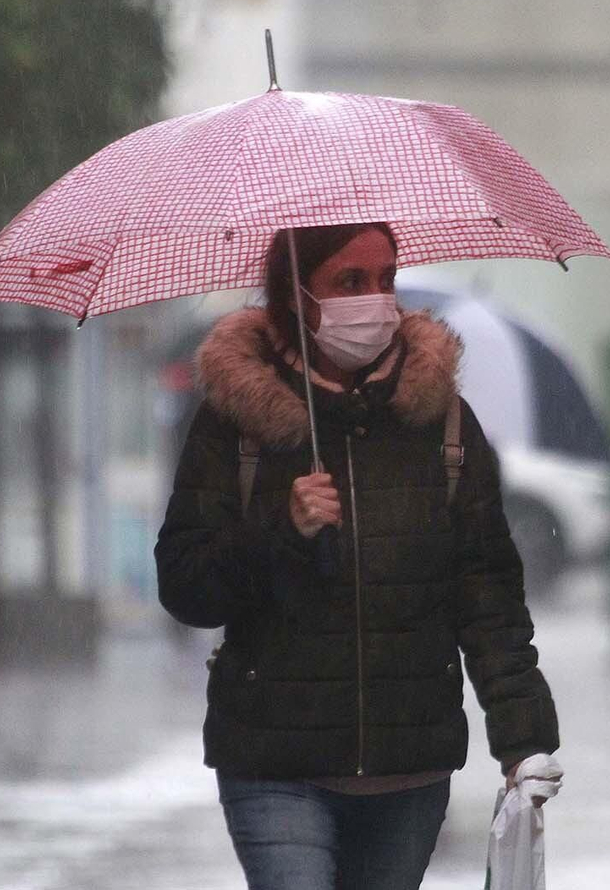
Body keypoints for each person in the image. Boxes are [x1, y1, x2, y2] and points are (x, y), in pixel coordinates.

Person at [154, 221, 562, 890]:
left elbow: (488, 597)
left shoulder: (444, 424)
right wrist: (282, 527)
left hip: (410, 770)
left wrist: (525, 739)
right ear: (297, 294)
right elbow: (186, 585)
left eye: (385, 279)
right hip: (274, 763)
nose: (375, 301)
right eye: (349, 281)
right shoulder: (235, 424)